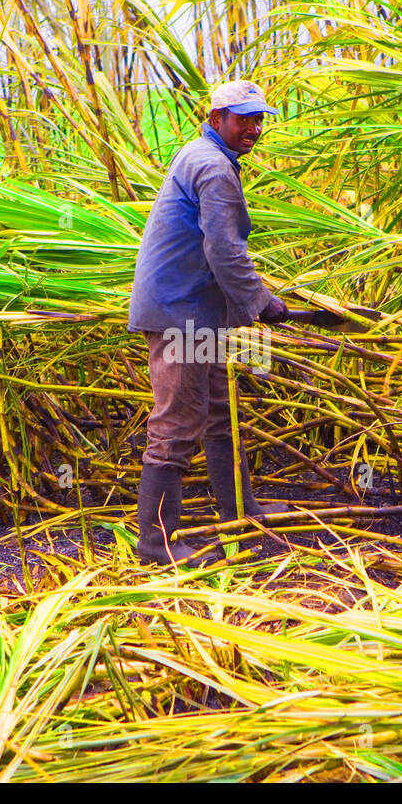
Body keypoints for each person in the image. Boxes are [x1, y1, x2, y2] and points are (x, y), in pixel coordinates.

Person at [127, 79, 292, 566]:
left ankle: (241, 512)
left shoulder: (203, 154)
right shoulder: (214, 167)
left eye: (259, 119)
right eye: (244, 119)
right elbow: (224, 249)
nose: (254, 129)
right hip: (181, 315)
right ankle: (156, 544)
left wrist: (250, 302)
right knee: (178, 424)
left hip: (195, 311)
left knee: (220, 411)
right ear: (216, 116)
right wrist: (262, 301)